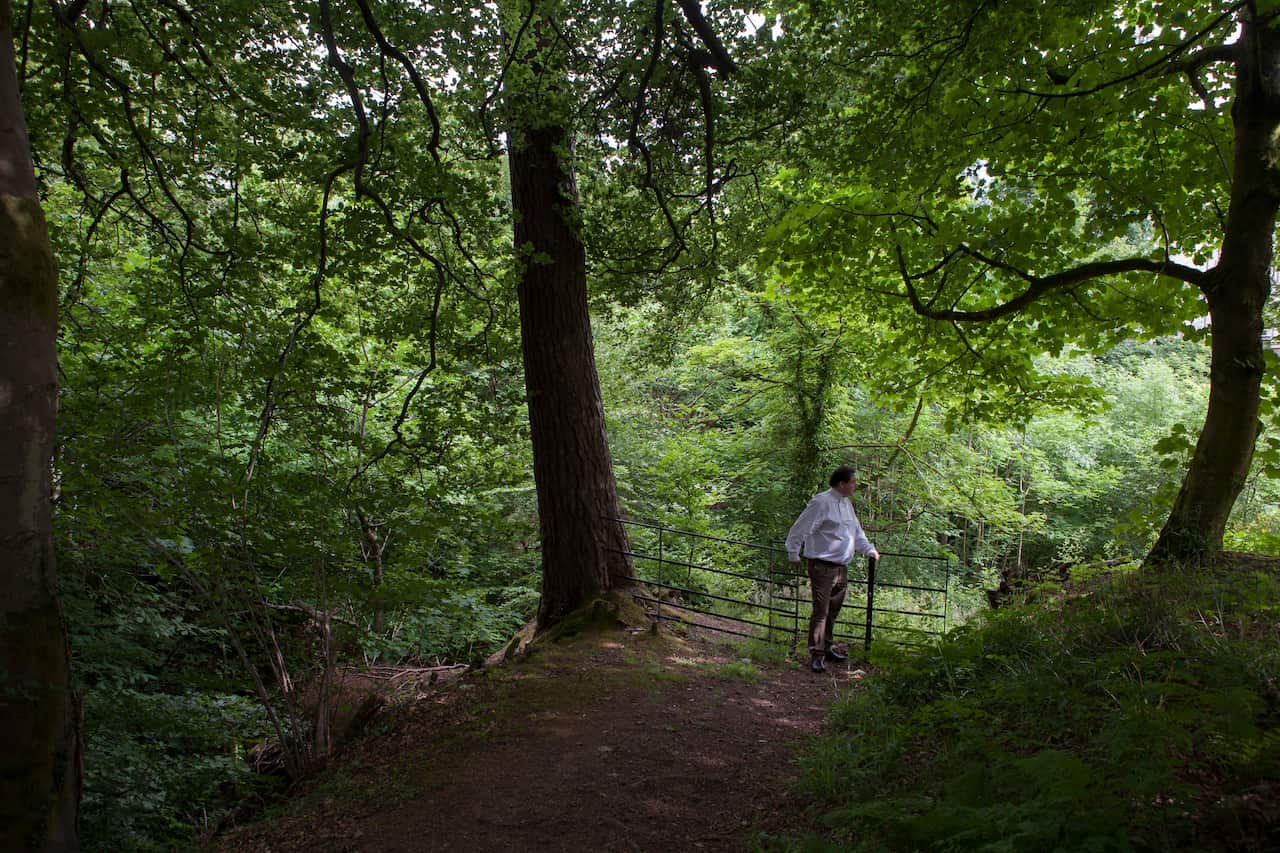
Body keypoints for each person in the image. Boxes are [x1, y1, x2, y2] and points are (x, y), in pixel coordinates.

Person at [785, 466, 879, 673]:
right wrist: (793, 551)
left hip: (841, 567)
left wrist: (869, 549)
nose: (855, 485)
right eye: (853, 482)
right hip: (822, 565)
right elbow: (800, 527)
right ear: (841, 484)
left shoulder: (846, 504)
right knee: (821, 611)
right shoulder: (821, 502)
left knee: (833, 610)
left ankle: (826, 648)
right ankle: (816, 654)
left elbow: (856, 532)